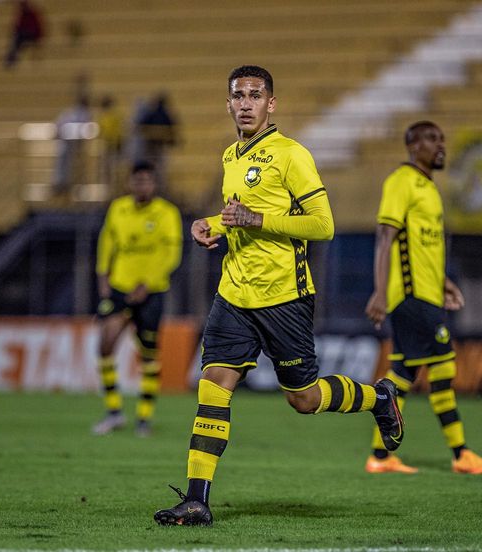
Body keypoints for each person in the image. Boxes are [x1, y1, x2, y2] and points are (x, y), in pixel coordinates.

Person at [153, 65, 404, 527]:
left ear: (272, 104)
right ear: (227, 104)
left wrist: (256, 222)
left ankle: (379, 397)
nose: (245, 103)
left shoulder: (292, 155)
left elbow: (323, 225)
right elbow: (240, 215)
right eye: (238, 96)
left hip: (284, 297)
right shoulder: (230, 154)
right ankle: (196, 499)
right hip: (233, 296)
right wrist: (212, 223)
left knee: (303, 399)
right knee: (213, 386)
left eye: (255, 95)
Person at [363, 121, 482, 476]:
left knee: (403, 373)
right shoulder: (401, 181)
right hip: (410, 298)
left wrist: (442, 283)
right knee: (443, 365)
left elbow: (422, 248)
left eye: (442, 138)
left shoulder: (429, 188)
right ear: (413, 145)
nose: (442, 145)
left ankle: (380, 455)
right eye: (433, 139)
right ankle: (461, 454)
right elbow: (385, 238)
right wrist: (379, 291)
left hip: (427, 293)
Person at [92, 161, 183, 437]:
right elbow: (107, 244)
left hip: (152, 291)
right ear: (130, 183)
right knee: (105, 345)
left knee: (148, 355)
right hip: (121, 287)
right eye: (137, 181)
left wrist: (148, 284)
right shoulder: (118, 209)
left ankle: (144, 418)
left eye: (146, 181)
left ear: (154, 184)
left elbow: (171, 254)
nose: (142, 185)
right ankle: (114, 412)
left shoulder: (167, 213)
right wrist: (103, 278)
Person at [52, 95, 92, 196]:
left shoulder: (81, 114)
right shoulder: (72, 114)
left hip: (76, 146)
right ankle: (62, 184)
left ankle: (68, 185)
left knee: (72, 166)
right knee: (63, 164)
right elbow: (59, 126)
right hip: (67, 144)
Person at [96, 95, 125, 193]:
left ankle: (117, 188)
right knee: (108, 169)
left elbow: (119, 131)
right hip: (108, 146)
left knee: (115, 168)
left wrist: (117, 143)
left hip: (115, 146)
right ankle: (108, 189)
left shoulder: (114, 116)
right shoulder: (103, 117)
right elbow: (101, 132)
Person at [3, 0, 44, 69]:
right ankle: (11, 58)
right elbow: (17, 26)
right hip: (25, 35)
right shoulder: (22, 14)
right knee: (16, 41)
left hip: (32, 35)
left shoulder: (32, 13)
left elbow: (38, 28)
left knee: (17, 40)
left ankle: (11, 58)